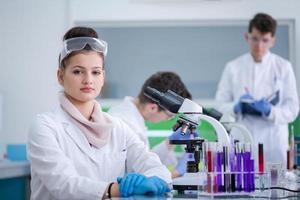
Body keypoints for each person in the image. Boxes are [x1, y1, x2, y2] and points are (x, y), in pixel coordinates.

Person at [27, 26, 172, 200]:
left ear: (102, 77)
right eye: (78, 71)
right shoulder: (44, 126)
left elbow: (156, 167)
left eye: (95, 72)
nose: (88, 80)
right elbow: (64, 185)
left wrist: (153, 180)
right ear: (60, 76)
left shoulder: (117, 127)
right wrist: (118, 189)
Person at [215, 13, 299, 168]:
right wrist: (236, 107)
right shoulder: (233, 67)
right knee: (241, 186)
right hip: (242, 140)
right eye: (255, 39)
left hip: (273, 142)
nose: (259, 46)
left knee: (277, 188)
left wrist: (270, 111)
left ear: (272, 41)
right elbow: (220, 104)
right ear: (247, 36)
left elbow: (292, 109)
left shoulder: (283, 67)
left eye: (265, 40)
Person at [108, 71, 194, 178]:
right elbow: (139, 178)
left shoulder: (131, 114)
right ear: (152, 107)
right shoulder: (126, 123)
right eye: (170, 115)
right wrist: (177, 173)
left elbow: (143, 158)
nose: (169, 119)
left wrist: (171, 142)